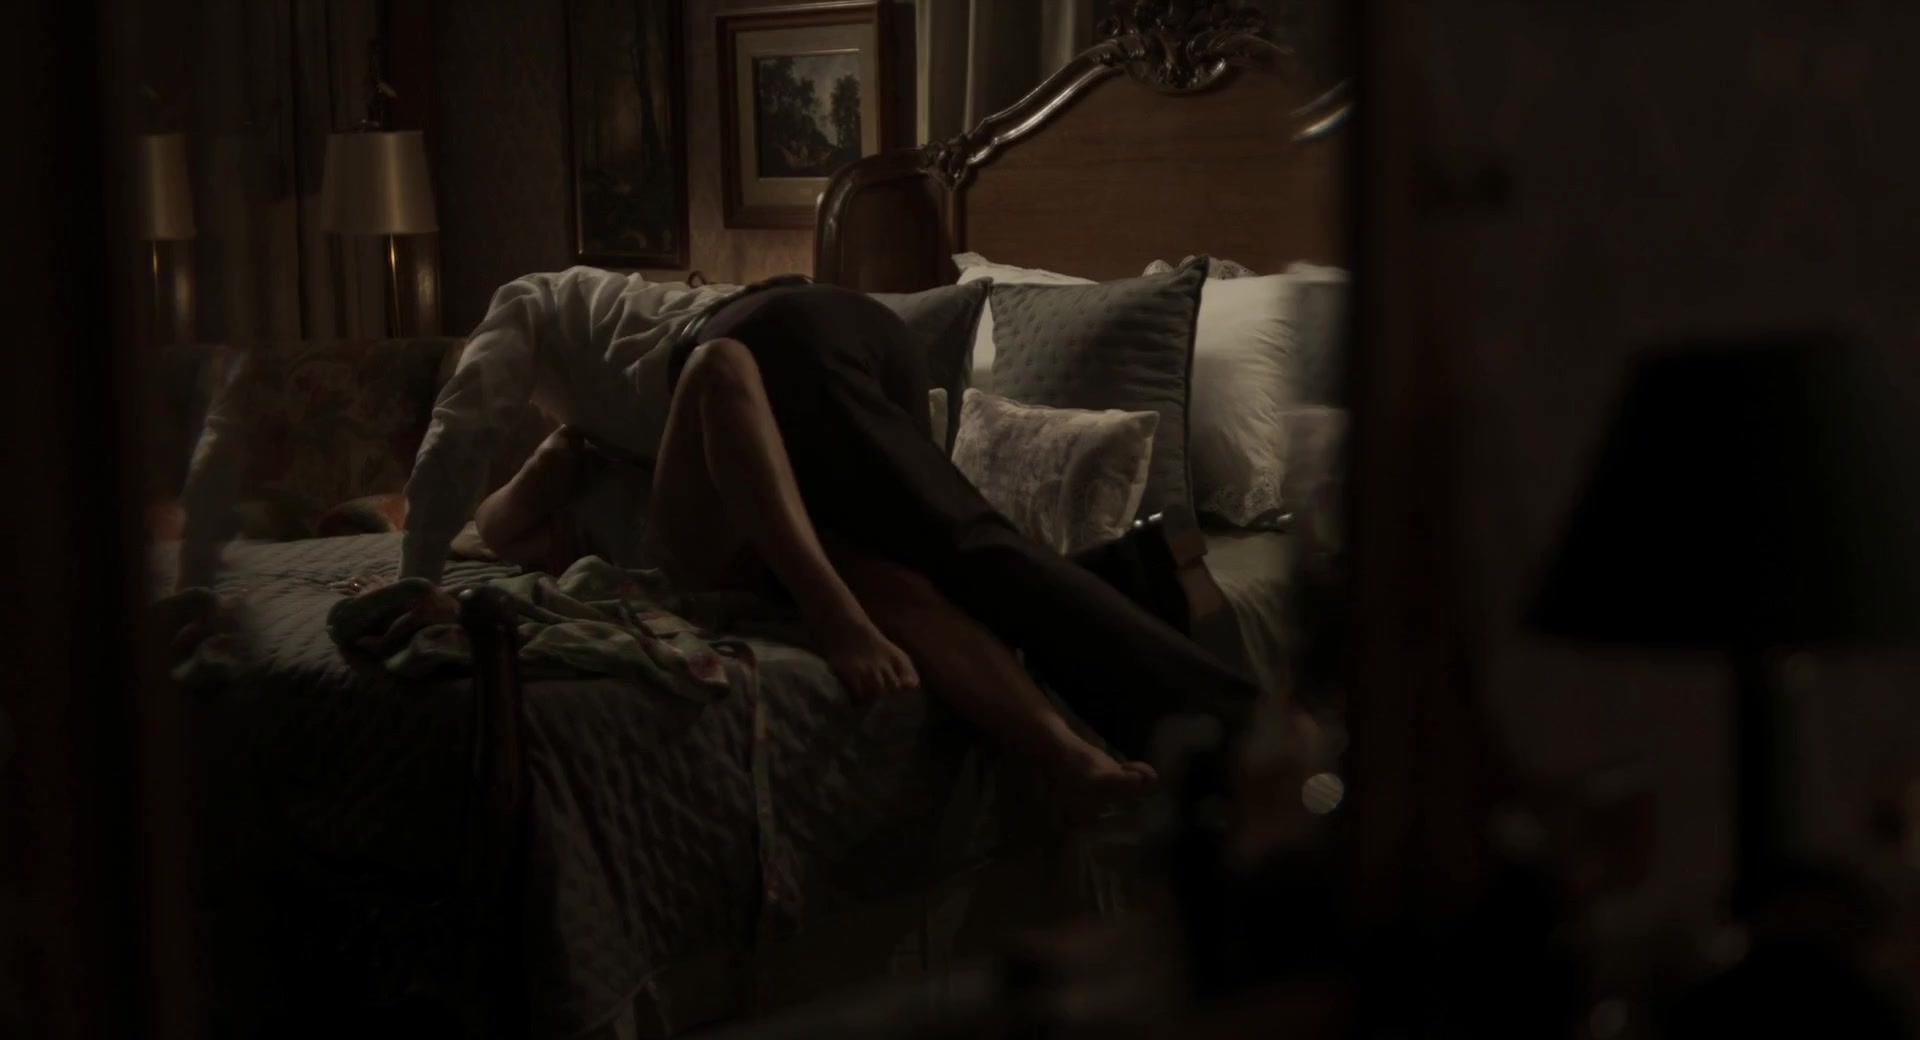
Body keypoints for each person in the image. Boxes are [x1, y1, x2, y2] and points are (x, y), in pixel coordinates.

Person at [459, 274, 1260, 800]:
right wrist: (559, 452)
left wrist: (580, 438)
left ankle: (1069, 755)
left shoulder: (618, 419)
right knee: (725, 371)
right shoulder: (587, 464)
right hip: (704, 549)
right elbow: (492, 529)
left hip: (772, 509)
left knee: (897, 589)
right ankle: (845, 620)